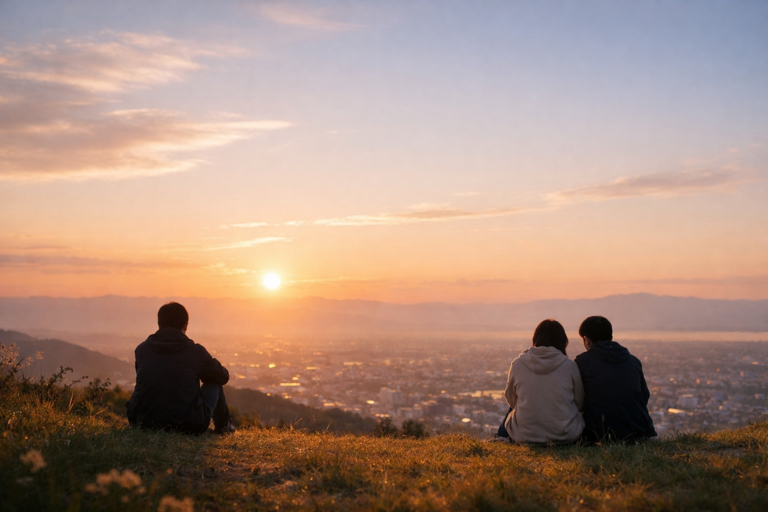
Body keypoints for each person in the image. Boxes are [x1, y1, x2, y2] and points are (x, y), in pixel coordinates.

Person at [126, 302, 235, 434]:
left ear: (159, 324)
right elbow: (222, 377)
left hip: (141, 422)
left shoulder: (142, 350)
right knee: (214, 385)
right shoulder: (195, 352)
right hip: (188, 425)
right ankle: (224, 427)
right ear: (186, 325)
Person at [495, 319, 585, 444]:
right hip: (565, 435)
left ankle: (500, 437)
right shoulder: (570, 366)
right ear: (563, 341)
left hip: (524, 435)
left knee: (518, 405)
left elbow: (511, 400)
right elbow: (579, 402)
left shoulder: (518, 364)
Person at [575, 316, 656, 443]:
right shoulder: (633, 361)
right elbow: (644, 396)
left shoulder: (582, 362)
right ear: (611, 338)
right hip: (637, 433)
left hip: (598, 434)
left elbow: (577, 400)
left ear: (587, 340)